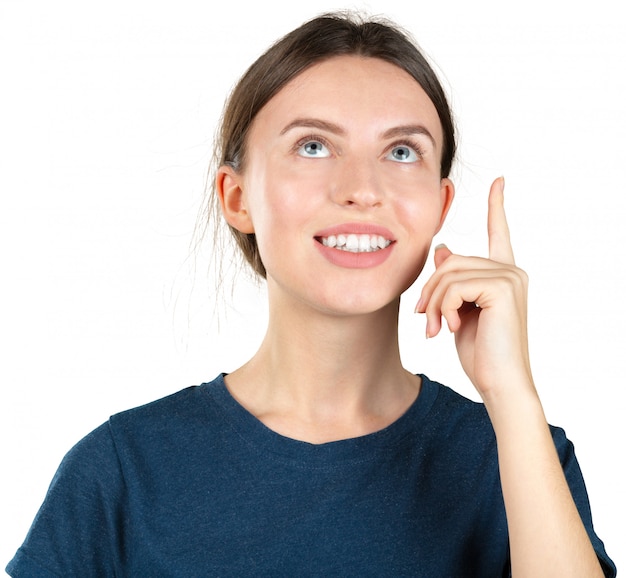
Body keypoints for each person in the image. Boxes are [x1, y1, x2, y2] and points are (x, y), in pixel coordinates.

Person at [6, 11, 616, 577]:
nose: (361, 188)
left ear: (439, 206)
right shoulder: (121, 474)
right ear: (236, 197)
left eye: (402, 152)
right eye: (313, 146)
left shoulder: (518, 457)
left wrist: (511, 394)